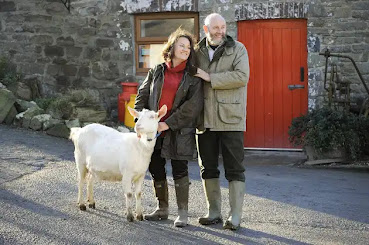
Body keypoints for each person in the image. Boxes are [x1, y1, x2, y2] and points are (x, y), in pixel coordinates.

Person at [134, 28, 203, 227]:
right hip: (154, 130)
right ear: (171, 47)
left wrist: (167, 123)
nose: (186, 49)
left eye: (189, 47)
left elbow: (193, 106)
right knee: (156, 166)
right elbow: (142, 95)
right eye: (182, 45)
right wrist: (141, 120)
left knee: (179, 168)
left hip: (179, 129)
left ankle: (182, 213)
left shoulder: (193, 76)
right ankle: (162, 209)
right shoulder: (156, 70)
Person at [194, 13, 250, 230]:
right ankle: (213, 211)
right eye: (215, 27)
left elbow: (241, 76)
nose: (220, 31)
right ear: (206, 30)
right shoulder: (197, 51)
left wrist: (210, 78)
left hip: (230, 118)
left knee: (235, 168)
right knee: (207, 167)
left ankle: (235, 216)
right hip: (204, 118)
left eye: (223, 26)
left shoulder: (238, 49)